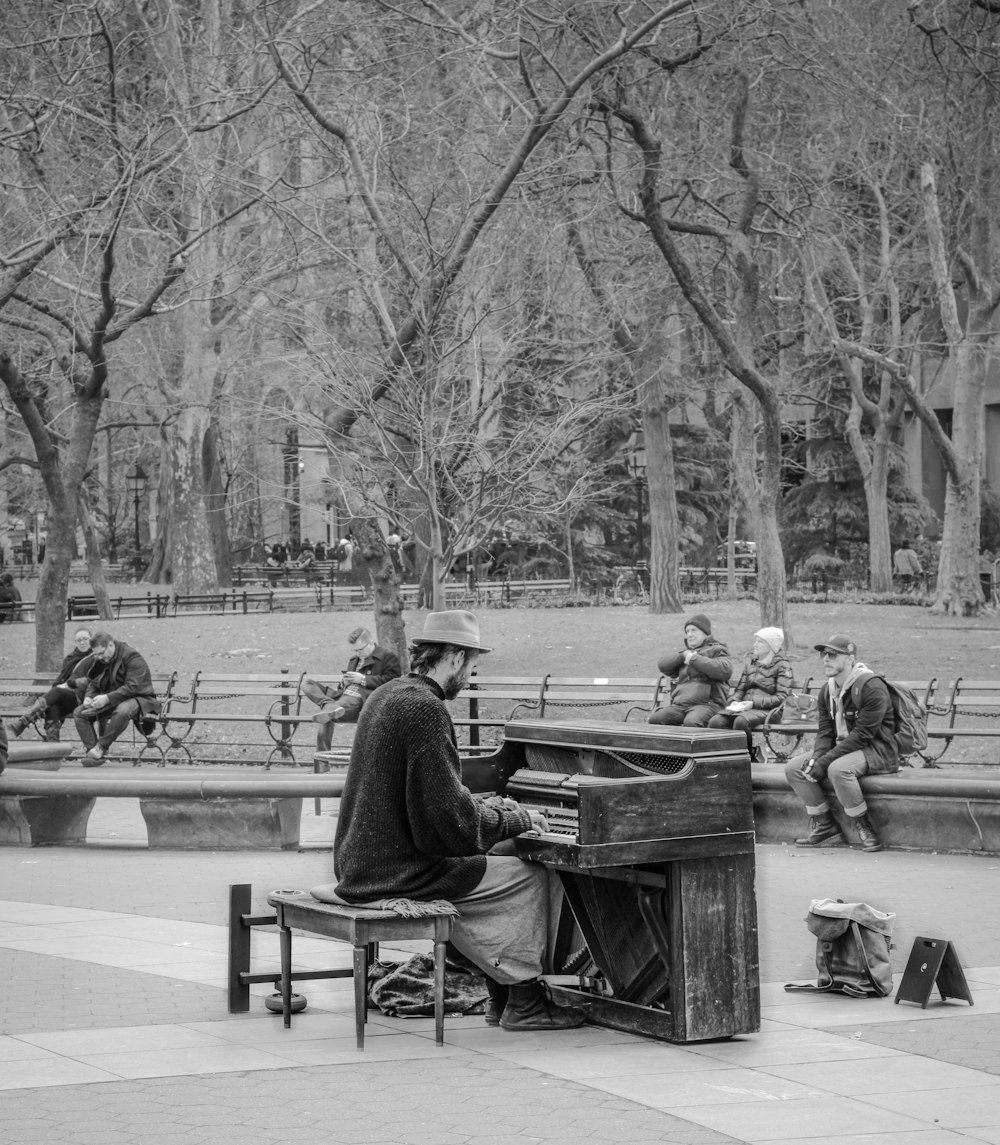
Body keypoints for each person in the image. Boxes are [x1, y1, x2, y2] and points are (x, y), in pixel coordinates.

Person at [332, 609, 586, 1032]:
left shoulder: (389, 694)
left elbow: (432, 799)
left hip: (363, 861)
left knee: (500, 857)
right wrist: (516, 816)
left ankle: (500, 995)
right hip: (399, 872)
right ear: (453, 657)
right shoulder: (426, 710)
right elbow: (449, 826)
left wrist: (497, 812)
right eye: (471, 665)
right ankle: (524, 1000)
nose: (470, 675)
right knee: (532, 876)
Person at [783, 634, 898, 853]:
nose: (826, 658)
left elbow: (863, 735)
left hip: (876, 750)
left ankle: (863, 825)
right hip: (843, 748)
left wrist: (825, 762)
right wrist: (816, 758)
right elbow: (826, 731)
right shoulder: (828, 689)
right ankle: (826, 826)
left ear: (850, 659)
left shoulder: (871, 686)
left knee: (837, 769)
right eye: (823, 654)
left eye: (833, 654)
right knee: (795, 768)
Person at [301, 627, 402, 751]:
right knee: (306, 683)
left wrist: (363, 679)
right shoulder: (354, 660)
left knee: (326, 716)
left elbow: (393, 682)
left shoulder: (388, 657)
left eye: (360, 649)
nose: (358, 653)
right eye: (355, 650)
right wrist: (344, 683)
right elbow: (343, 687)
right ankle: (329, 705)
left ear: (370, 642)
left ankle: (322, 762)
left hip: (362, 700)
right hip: (342, 698)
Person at [72, 632, 162, 765]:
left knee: (123, 710)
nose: (99, 657)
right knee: (79, 713)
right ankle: (93, 754)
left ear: (110, 645)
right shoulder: (102, 659)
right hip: (115, 699)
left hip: (141, 699)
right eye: (96, 654)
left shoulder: (132, 656)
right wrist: (88, 697)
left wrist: (107, 698)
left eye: (101, 653)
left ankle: (101, 748)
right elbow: (93, 683)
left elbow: (133, 687)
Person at [708, 627, 792, 760]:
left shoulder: (782, 665)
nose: (755, 645)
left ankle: (748, 759)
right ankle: (723, 759)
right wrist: (734, 701)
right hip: (745, 709)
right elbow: (740, 690)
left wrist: (753, 703)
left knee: (741, 722)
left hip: (771, 711)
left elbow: (782, 697)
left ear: (771, 645)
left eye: (760, 642)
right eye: (755, 641)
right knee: (715, 722)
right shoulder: (751, 665)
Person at [8, 627, 95, 741]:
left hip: (84, 698)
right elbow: (61, 680)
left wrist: (67, 686)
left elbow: (93, 681)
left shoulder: (96, 657)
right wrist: (61, 687)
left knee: (55, 693)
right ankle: (53, 744)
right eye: (79, 640)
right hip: (67, 697)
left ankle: (22, 723)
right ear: (75, 642)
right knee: (52, 706)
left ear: (91, 639)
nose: (82, 642)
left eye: (85, 639)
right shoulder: (70, 658)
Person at [648, 613, 732, 727]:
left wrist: (694, 659)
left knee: (691, 722)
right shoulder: (685, 654)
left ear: (705, 633)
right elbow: (663, 665)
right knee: (655, 719)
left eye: (694, 630)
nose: (689, 635)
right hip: (680, 706)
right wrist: (683, 656)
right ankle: (669, 745)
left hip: (708, 705)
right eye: (687, 631)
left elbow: (725, 670)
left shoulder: (717, 650)